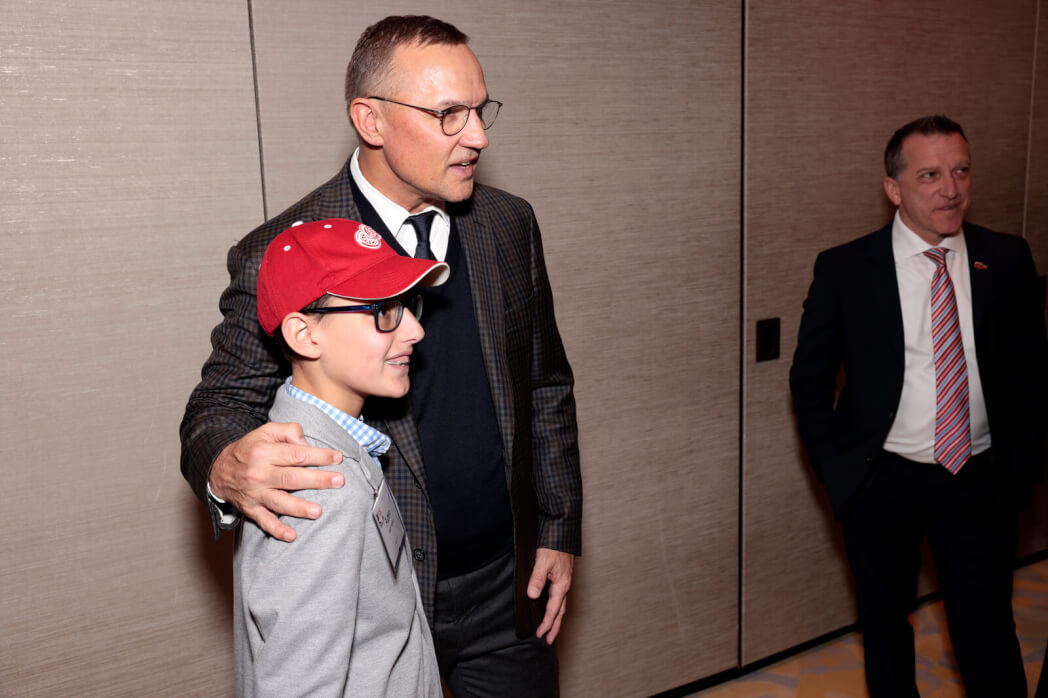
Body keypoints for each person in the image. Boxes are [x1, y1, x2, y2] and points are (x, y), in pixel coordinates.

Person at [180, 15, 581, 695]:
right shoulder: (282, 250)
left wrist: (559, 529)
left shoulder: (508, 224)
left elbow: (546, 385)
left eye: (480, 110)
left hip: (507, 587)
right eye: (448, 115)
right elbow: (217, 407)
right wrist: (225, 464)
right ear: (370, 119)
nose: (478, 137)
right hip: (378, 597)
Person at [789, 114, 1047, 697]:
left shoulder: (1007, 258)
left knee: (987, 633)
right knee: (885, 633)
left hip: (979, 478)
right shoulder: (846, 268)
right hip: (882, 482)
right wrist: (841, 472)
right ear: (893, 187)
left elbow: (1033, 374)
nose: (950, 189)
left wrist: (1019, 474)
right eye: (930, 175)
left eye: (961, 170)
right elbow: (809, 380)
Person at [236, 218, 448, 696]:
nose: (416, 330)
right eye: (383, 310)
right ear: (304, 335)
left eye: (408, 305)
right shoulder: (317, 489)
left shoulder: (335, 444)